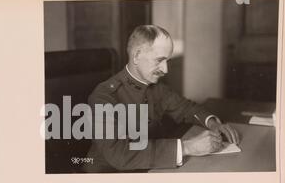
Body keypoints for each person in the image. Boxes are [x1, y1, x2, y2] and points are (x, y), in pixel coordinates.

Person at [83, 25, 239, 172]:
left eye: (167, 61)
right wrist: (186, 147)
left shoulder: (156, 87)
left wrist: (212, 123)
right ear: (137, 56)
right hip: (109, 178)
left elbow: (186, 108)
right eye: (159, 60)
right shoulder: (104, 96)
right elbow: (118, 154)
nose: (165, 69)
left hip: (150, 169)